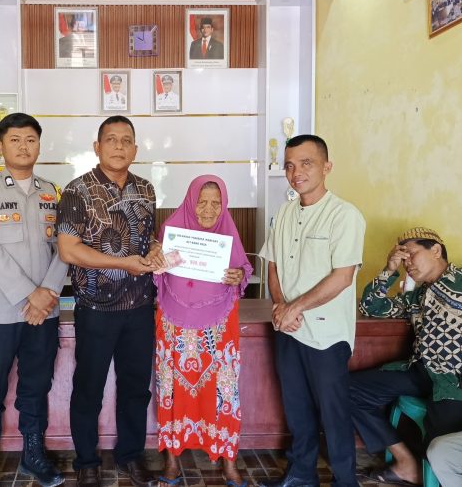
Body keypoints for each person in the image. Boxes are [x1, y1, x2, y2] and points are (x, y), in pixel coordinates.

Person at [0, 113, 68, 487]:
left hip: (44, 312)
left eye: (30, 140)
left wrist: (48, 294)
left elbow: (65, 248)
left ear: (39, 145)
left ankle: (33, 455)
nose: (24, 146)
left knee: (36, 386)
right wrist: (31, 294)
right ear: (1, 146)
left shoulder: (52, 192)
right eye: (15, 140)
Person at [57, 115, 159, 487]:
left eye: (126, 140)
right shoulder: (77, 190)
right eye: (111, 139)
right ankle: (86, 461)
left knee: (136, 387)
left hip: (140, 308)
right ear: (97, 147)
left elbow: (148, 237)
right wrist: (122, 263)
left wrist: (156, 250)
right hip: (96, 309)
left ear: (135, 148)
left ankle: (131, 455)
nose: (119, 146)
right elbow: (69, 250)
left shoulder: (146, 189)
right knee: (89, 387)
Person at [257, 134, 366, 487]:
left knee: (334, 414)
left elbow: (343, 277)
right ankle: (301, 474)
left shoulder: (344, 215)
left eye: (306, 163)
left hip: (326, 335)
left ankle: (345, 480)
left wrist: (295, 307)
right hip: (289, 329)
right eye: (290, 165)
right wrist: (279, 305)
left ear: (326, 167)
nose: (296, 172)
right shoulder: (284, 213)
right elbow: (272, 264)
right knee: (297, 409)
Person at [350, 227, 462, 487]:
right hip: (420, 372)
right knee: (346, 390)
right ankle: (405, 463)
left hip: (459, 379)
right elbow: (371, 306)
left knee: (443, 447)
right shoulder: (417, 296)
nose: (406, 263)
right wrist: (389, 270)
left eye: (411, 254)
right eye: (402, 258)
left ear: (436, 250)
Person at [151, 175, 253, 487]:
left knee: (224, 391)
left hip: (218, 326)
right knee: (172, 389)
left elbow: (244, 269)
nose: (208, 210)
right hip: (174, 323)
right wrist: (158, 259)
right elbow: (156, 272)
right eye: (202, 202)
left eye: (215, 203)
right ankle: (171, 460)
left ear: (224, 205)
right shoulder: (171, 230)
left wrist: (238, 276)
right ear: (190, 201)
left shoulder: (228, 232)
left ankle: (228, 460)